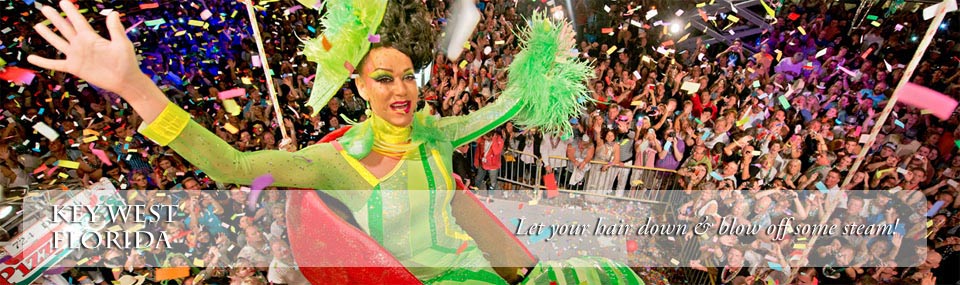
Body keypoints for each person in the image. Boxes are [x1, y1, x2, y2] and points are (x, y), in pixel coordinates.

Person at [27, 1, 643, 284]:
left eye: (409, 75)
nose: (401, 89)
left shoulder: (433, 134)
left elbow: (505, 105)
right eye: (384, 77)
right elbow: (233, 162)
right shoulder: (335, 162)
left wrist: (547, 63)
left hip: (487, 269)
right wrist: (134, 86)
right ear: (359, 82)